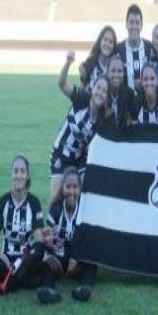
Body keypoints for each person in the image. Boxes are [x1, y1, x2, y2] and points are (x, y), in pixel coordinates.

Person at [49, 51, 111, 204]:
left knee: (80, 198)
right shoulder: (81, 98)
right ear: (93, 88)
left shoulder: (102, 119)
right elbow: (61, 84)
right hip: (61, 154)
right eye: (99, 88)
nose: (100, 93)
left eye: (104, 91)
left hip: (78, 160)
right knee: (55, 200)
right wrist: (68, 63)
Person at [0, 155, 46, 295]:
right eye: (16, 171)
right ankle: (22, 281)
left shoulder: (34, 203)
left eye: (22, 171)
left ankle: (6, 286)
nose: (19, 175)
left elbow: (38, 239)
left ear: (27, 176)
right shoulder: (3, 201)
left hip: (25, 259)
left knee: (39, 248)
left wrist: (45, 240)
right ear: (11, 174)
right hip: (6, 261)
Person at [37, 167, 98, 304]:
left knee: (92, 263)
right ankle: (49, 291)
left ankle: (82, 289)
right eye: (68, 187)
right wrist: (49, 245)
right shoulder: (56, 209)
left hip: (76, 261)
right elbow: (48, 242)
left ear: (80, 189)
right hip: (59, 258)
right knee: (46, 265)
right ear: (63, 189)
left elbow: (87, 241)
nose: (71, 191)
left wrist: (76, 257)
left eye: (75, 187)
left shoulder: (84, 210)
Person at [115, 4, 153, 94]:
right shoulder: (118, 49)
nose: (134, 27)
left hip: (145, 102)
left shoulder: (149, 47)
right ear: (126, 24)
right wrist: (87, 65)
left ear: (141, 26)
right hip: (125, 104)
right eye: (131, 22)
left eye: (137, 23)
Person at [79, 25, 117, 92]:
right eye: (105, 39)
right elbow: (81, 92)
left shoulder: (115, 68)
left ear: (114, 46)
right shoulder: (89, 64)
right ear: (100, 41)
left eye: (111, 42)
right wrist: (82, 78)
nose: (107, 44)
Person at [106, 54, 137, 130]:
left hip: (123, 137)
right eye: (113, 70)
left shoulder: (130, 94)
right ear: (107, 73)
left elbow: (134, 119)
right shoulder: (102, 93)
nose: (116, 74)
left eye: (120, 71)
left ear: (123, 74)